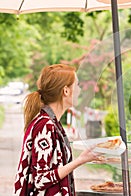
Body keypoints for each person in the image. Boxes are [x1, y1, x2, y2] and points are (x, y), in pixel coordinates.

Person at [14, 64, 101, 195]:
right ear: (66, 91)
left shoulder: (51, 122)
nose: (79, 90)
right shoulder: (45, 125)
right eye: (76, 85)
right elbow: (41, 179)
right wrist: (80, 160)